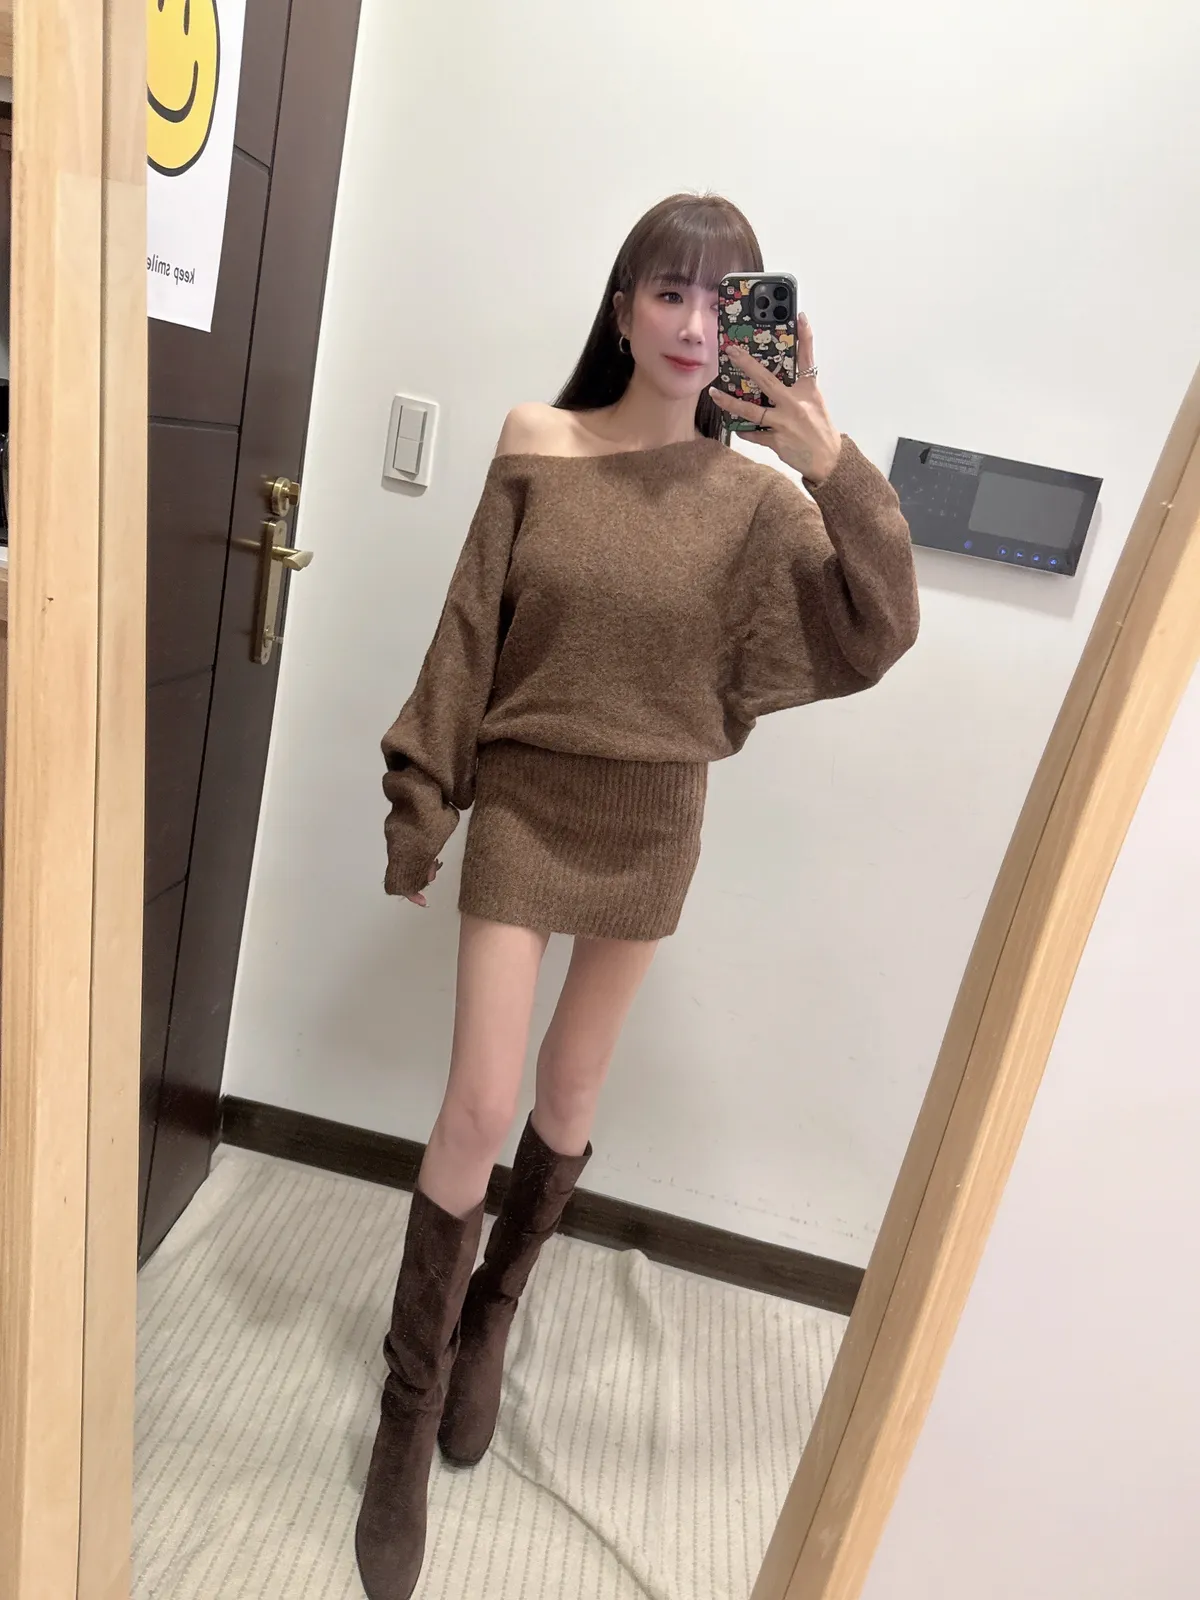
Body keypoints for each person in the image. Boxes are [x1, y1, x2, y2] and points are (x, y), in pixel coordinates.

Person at [354, 192, 920, 1600]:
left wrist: (829, 460)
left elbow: (879, 627)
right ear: (621, 309)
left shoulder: (759, 505)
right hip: (528, 798)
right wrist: (422, 804)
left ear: (756, 327)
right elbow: (467, 632)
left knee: (569, 1092)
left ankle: (492, 1319)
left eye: (727, 301)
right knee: (478, 1104)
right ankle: (405, 1414)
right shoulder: (536, 443)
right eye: (670, 291)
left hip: (654, 816)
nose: (694, 323)